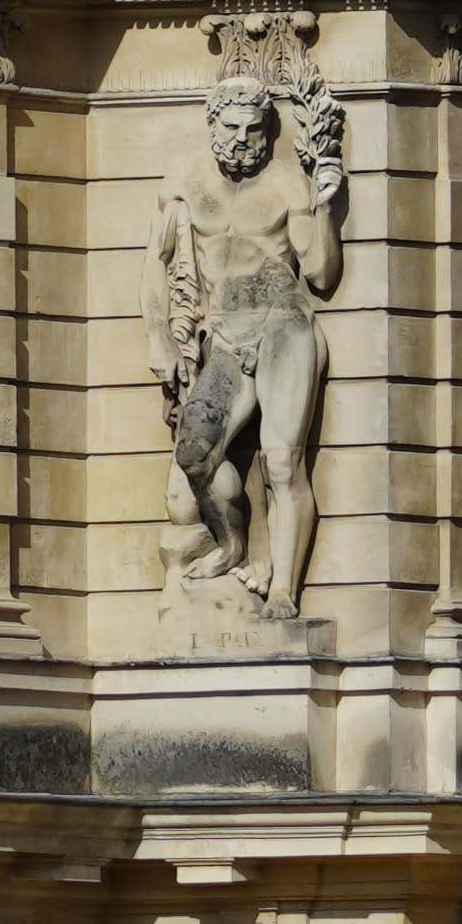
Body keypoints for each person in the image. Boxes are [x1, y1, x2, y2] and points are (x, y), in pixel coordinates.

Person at [152, 73, 346, 613]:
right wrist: (159, 337)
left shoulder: (288, 186)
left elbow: (322, 275)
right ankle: (235, 543)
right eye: (231, 127)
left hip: (284, 326)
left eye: (252, 128)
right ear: (211, 126)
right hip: (226, 334)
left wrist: (326, 208)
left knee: (284, 463)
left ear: (265, 130)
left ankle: (282, 588)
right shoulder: (183, 183)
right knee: (194, 454)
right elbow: (156, 265)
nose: (242, 138)